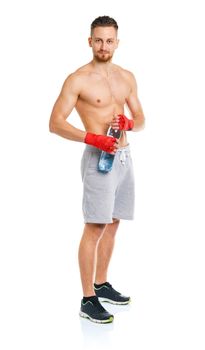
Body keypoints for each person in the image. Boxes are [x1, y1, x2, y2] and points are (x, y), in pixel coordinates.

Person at [49, 15, 145, 324]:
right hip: (98, 158)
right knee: (95, 226)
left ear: (117, 42)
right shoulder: (77, 79)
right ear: (90, 41)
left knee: (114, 222)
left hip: (124, 157)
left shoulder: (126, 76)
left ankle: (101, 284)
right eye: (99, 40)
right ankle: (87, 299)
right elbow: (55, 123)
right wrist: (93, 138)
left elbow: (141, 118)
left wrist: (129, 123)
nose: (104, 46)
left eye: (109, 40)